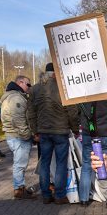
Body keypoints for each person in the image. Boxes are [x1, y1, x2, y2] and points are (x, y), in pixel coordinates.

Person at [27, 63, 80, 205]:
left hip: (43, 132)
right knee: (61, 164)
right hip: (61, 131)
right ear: (56, 73)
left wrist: (35, 131)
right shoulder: (64, 89)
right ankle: (60, 195)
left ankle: (46, 195)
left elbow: (30, 113)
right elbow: (72, 112)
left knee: (45, 162)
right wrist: (75, 129)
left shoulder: (34, 89)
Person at [78, 98, 107, 206]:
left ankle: (83, 199)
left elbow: (78, 114)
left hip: (88, 134)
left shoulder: (83, 95)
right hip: (106, 133)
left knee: (86, 166)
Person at [1, 75, 35, 199]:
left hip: (14, 134)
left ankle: (19, 187)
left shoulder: (12, 96)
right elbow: (18, 120)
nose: (29, 87)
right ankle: (19, 189)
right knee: (20, 164)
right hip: (18, 136)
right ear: (20, 82)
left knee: (20, 163)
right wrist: (28, 135)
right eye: (28, 84)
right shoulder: (16, 98)